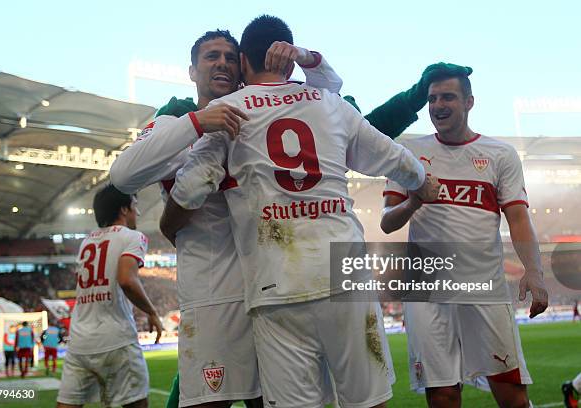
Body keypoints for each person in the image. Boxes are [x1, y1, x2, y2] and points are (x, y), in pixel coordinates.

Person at [165, 15, 438, 408]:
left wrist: (167, 223)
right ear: (290, 61)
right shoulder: (330, 105)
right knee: (368, 402)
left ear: (243, 62)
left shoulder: (228, 110)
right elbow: (395, 159)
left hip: (275, 284)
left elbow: (190, 188)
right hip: (344, 272)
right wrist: (422, 184)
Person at [111, 30, 344, 408]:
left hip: (274, 292)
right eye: (211, 56)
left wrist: (301, 54)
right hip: (213, 296)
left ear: (242, 68)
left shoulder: (262, 117)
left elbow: (329, 88)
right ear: (192, 71)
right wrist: (199, 122)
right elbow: (122, 176)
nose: (222, 62)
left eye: (229, 57)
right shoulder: (176, 125)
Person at [381, 67, 549, 408]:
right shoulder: (408, 152)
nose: (438, 105)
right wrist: (414, 200)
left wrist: (534, 271)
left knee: (512, 394)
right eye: (432, 99)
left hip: (483, 286)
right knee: (442, 395)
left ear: (469, 102)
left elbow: (518, 218)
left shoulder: (500, 154)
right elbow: (387, 223)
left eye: (447, 97)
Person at [56, 184, 163, 408]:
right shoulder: (133, 237)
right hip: (116, 339)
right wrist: (152, 312)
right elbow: (126, 280)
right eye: (135, 206)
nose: (138, 212)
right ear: (124, 209)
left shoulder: (87, 241)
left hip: (79, 342)